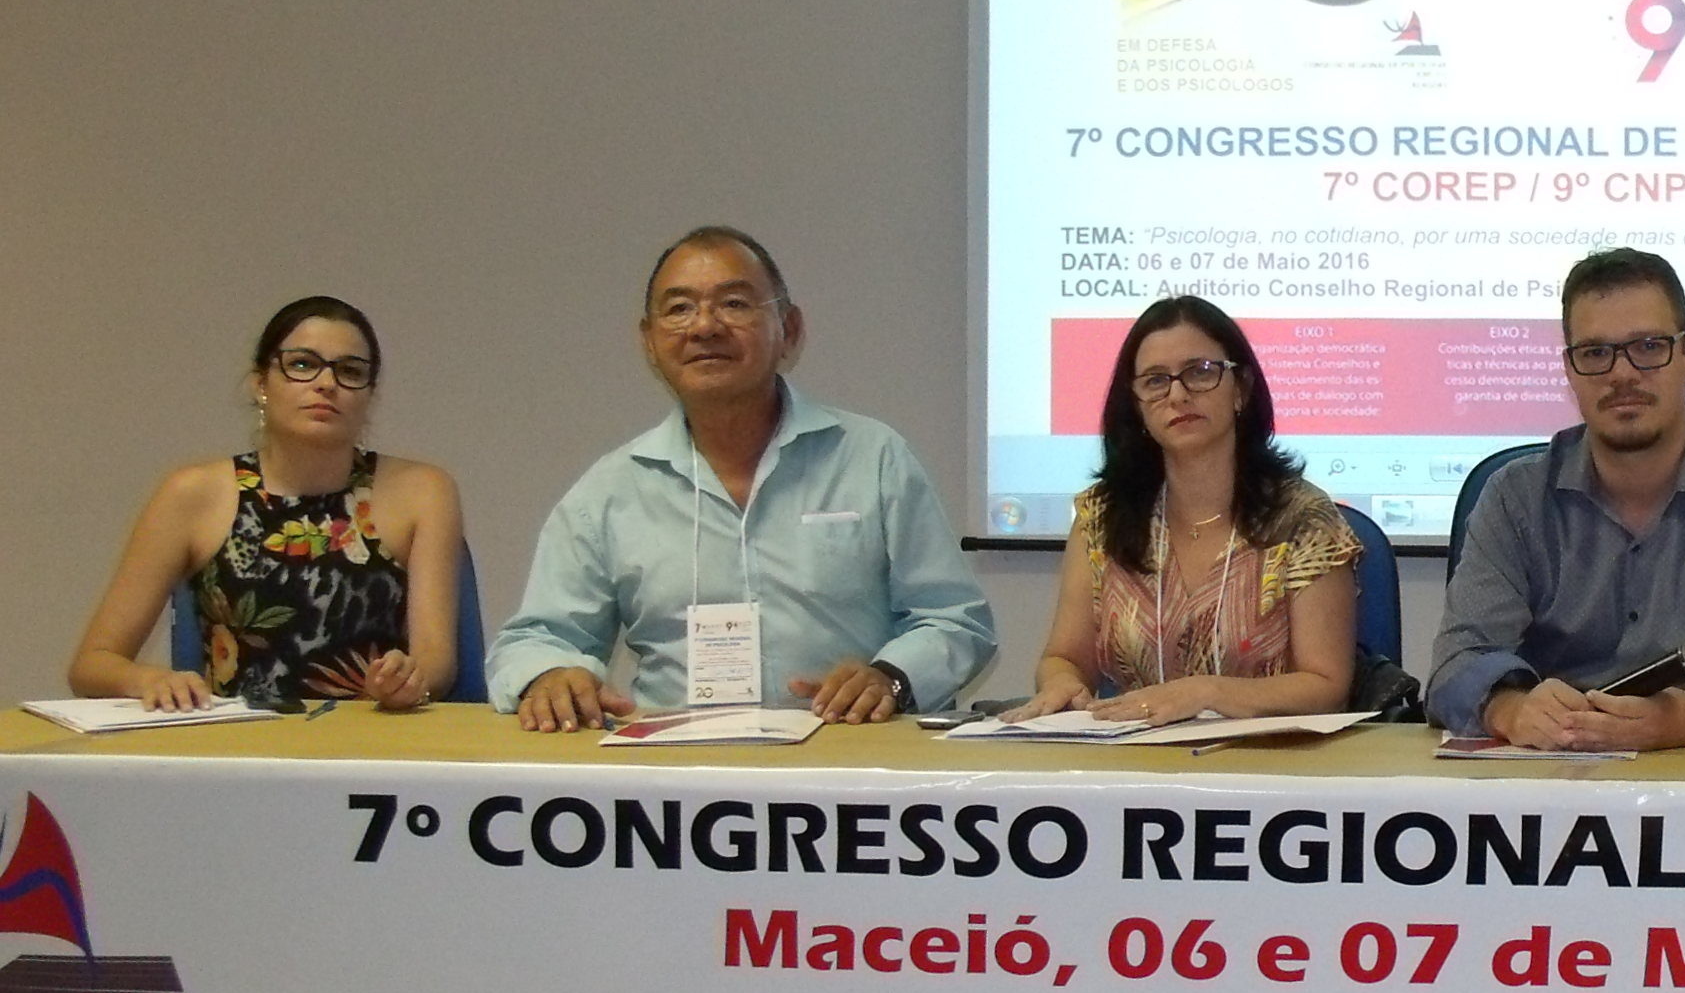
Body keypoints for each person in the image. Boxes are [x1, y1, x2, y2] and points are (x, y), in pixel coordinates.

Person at [490, 227, 996, 729]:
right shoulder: (610, 491)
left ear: (789, 330)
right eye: (679, 309)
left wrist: (891, 678)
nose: (704, 326)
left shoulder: (872, 458)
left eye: (734, 304)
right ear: (649, 342)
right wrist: (548, 675)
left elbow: (956, 620)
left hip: (847, 752)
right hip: (675, 759)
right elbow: (534, 639)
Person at [1427, 247, 1685, 748]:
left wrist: (1683, 721)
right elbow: (1454, 666)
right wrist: (1510, 710)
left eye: (1648, 346)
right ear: (1570, 370)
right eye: (1596, 353)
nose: (1622, 374)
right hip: (1552, 772)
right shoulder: (1515, 498)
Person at [70, 296, 464, 711]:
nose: (326, 383)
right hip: (236, 738)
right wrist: (149, 679)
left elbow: (437, 661)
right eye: (302, 364)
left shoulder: (423, 490)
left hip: (372, 735)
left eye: (350, 371)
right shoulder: (192, 493)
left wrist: (410, 679)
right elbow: (92, 664)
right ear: (261, 383)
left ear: (370, 394)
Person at [1009, 295, 1361, 722]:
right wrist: (1062, 682)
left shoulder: (1303, 519)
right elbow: (1064, 658)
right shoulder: (1103, 518)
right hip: (1134, 753)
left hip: (1270, 754)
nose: (1177, 394)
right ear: (1136, 406)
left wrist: (1205, 692)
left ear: (1241, 389)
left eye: (1200, 372)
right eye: (1155, 381)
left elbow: (1326, 688)